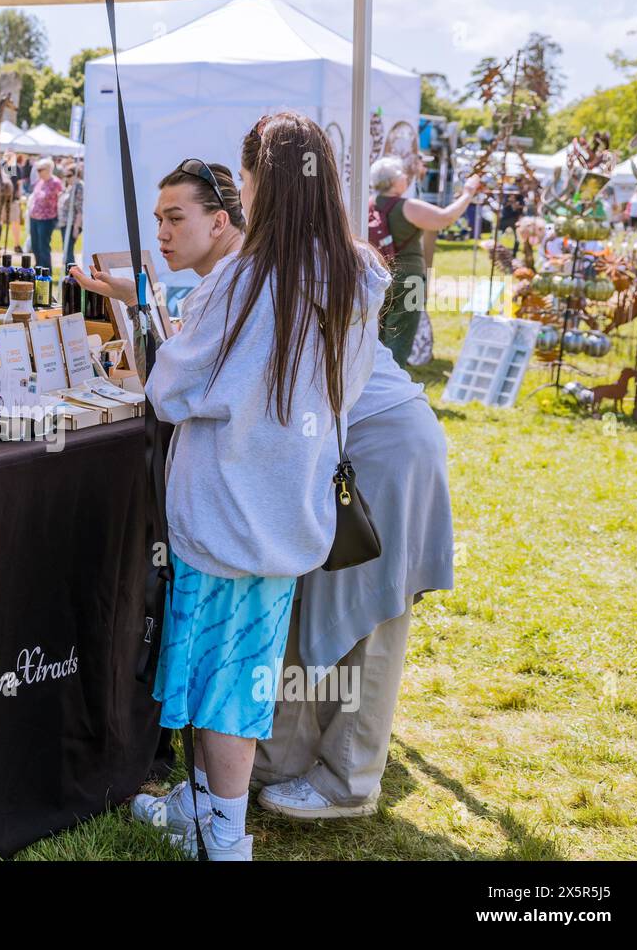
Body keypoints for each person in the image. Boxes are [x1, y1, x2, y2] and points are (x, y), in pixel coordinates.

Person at [111, 114, 389, 861]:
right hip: (287, 506)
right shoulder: (359, 274)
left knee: (223, 685)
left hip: (228, 508)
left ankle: (224, 836)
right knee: (245, 670)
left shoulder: (243, 281)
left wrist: (160, 332)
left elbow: (173, 390)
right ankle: (204, 808)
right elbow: (342, 390)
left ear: (263, 184)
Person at [253, 341, 454, 819]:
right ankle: (282, 758)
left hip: (380, 446)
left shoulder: (289, 270)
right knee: (305, 601)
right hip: (342, 447)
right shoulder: (272, 270)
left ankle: (349, 781)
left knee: (370, 617)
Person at [369, 156, 481, 366]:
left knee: (377, 336)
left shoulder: (368, 205)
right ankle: (395, 384)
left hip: (375, 276)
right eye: (403, 175)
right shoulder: (406, 206)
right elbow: (444, 218)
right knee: (400, 337)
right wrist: (468, 194)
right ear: (394, 181)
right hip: (408, 278)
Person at [27, 158, 63, 270]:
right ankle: (38, 268)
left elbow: (61, 201)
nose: (38, 172)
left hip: (47, 219)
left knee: (43, 246)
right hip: (34, 218)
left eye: (40, 170)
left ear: (48, 169)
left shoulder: (56, 183)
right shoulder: (40, 182)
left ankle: (46, 271)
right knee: (35, 245)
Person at [59, 164, 84, 270]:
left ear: (76, 174)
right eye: (65, 176)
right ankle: (70, 274)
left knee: (68, 251)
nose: (67, 178)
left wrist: (76, 227)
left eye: (69, 175)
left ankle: (71, 275)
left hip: (72, 224)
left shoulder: (79, 187)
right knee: (67, 250)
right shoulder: (70, 186)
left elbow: (80, 209)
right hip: (65, 223)